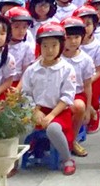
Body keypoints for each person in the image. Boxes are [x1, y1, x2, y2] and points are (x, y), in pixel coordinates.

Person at [21, 23, 79, 176]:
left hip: (59, 112)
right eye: (45, 46)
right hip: (36, 110)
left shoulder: (67, 69)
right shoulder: (32, 69)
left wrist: (52, 115)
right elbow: (26, 93)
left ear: (61, 46)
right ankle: (13, 163)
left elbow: (67, 96)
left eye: (54, 45)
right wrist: (34, 111)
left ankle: (67, 159)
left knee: (53, 129)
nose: (49, 50)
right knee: (20, 128)